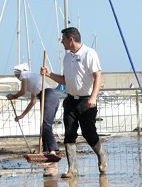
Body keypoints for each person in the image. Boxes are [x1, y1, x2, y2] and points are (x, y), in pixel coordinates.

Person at [41, 27, 107, 178]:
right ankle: (72, 169)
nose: (61, 42)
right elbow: (65, 80)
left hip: (86, 100)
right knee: (69, 134)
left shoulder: (89, 53)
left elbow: (98, 76)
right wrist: (49, 74)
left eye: (63, 39)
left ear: (71, 40)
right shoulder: (67, 57)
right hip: (70, 99)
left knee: (88, 133)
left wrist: (93, 97)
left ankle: (101, 154)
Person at [7, 62, 61, 175]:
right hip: (49, 96)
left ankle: (52, 153)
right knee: (44, 126)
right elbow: (33, 101)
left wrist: (13, 96)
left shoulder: (25, 74)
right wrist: (22, 115)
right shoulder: (32, 78)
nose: (17, 76)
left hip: (48, 96)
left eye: (17, 74)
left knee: (46, 125)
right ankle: (48, 155)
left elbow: (22, 91)